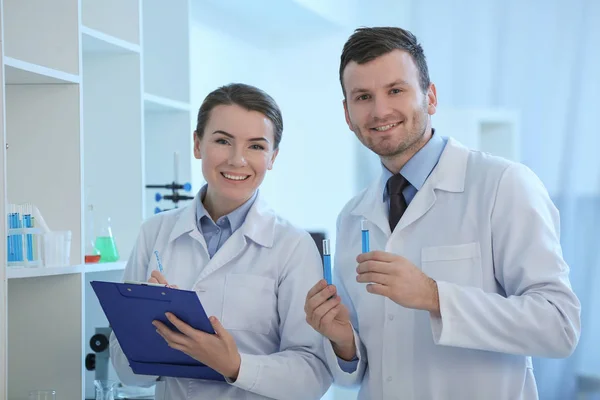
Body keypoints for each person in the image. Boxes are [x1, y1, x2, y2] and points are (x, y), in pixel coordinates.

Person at [304, 26, 581, 399]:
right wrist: (342, 343)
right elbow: (359, 370)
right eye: (363, 96)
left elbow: (559, 326)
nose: (380, 110)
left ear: (430, 97)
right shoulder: (352, 216)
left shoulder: (503, 185)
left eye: (396, 90)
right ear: (347, 114)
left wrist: (434, 296)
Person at [110, 83, 332, 400]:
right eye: (223, 141)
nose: (237, 160)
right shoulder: (154, 232)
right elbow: (123, 369)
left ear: (273, 157)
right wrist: (148, 334)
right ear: (198, 144)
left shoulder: (293, 246)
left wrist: (235, 366)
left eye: (256, 146)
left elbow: (313, 374)